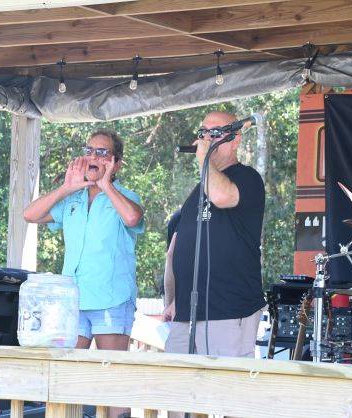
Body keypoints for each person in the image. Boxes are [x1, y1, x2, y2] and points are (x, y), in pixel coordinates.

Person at [23, 130, 144, 345]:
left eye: (102, 152)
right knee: (68, 368)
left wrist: (105, 185)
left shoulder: (125, 197)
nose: (93, 157)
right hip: (72, 298)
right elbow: (30, 215)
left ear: (116, 164)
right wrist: (65, 188)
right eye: (89, 151)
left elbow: (133, 218)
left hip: (111, 298)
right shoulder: (73, 198)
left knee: (109, 370)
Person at [163, 111, 266, 358]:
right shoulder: (196, 193)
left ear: (235, 139)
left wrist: (203, 160)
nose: (206, 138)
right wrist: (175, 299)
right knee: (174, 387)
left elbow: (222, 197)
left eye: (215, 132)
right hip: (187, 313)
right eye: (202, 132)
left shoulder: (247, 178)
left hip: (227, 310)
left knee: (222, 390)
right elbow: (175, 251)